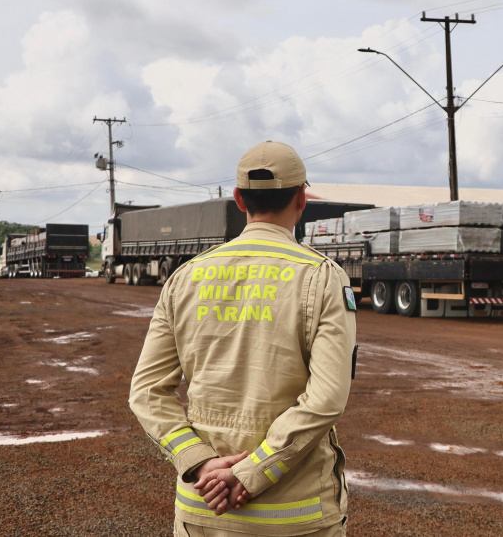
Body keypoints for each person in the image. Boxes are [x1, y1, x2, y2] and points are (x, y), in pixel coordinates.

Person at [129, 140, 357, 537]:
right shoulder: (322, 277)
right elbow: (326, 399)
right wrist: (253, 470)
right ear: (301, 199)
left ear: (238, 199)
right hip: (297, 517)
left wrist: (198, 460)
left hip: (203, 509)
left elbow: (147, 393)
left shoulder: (184, 278)